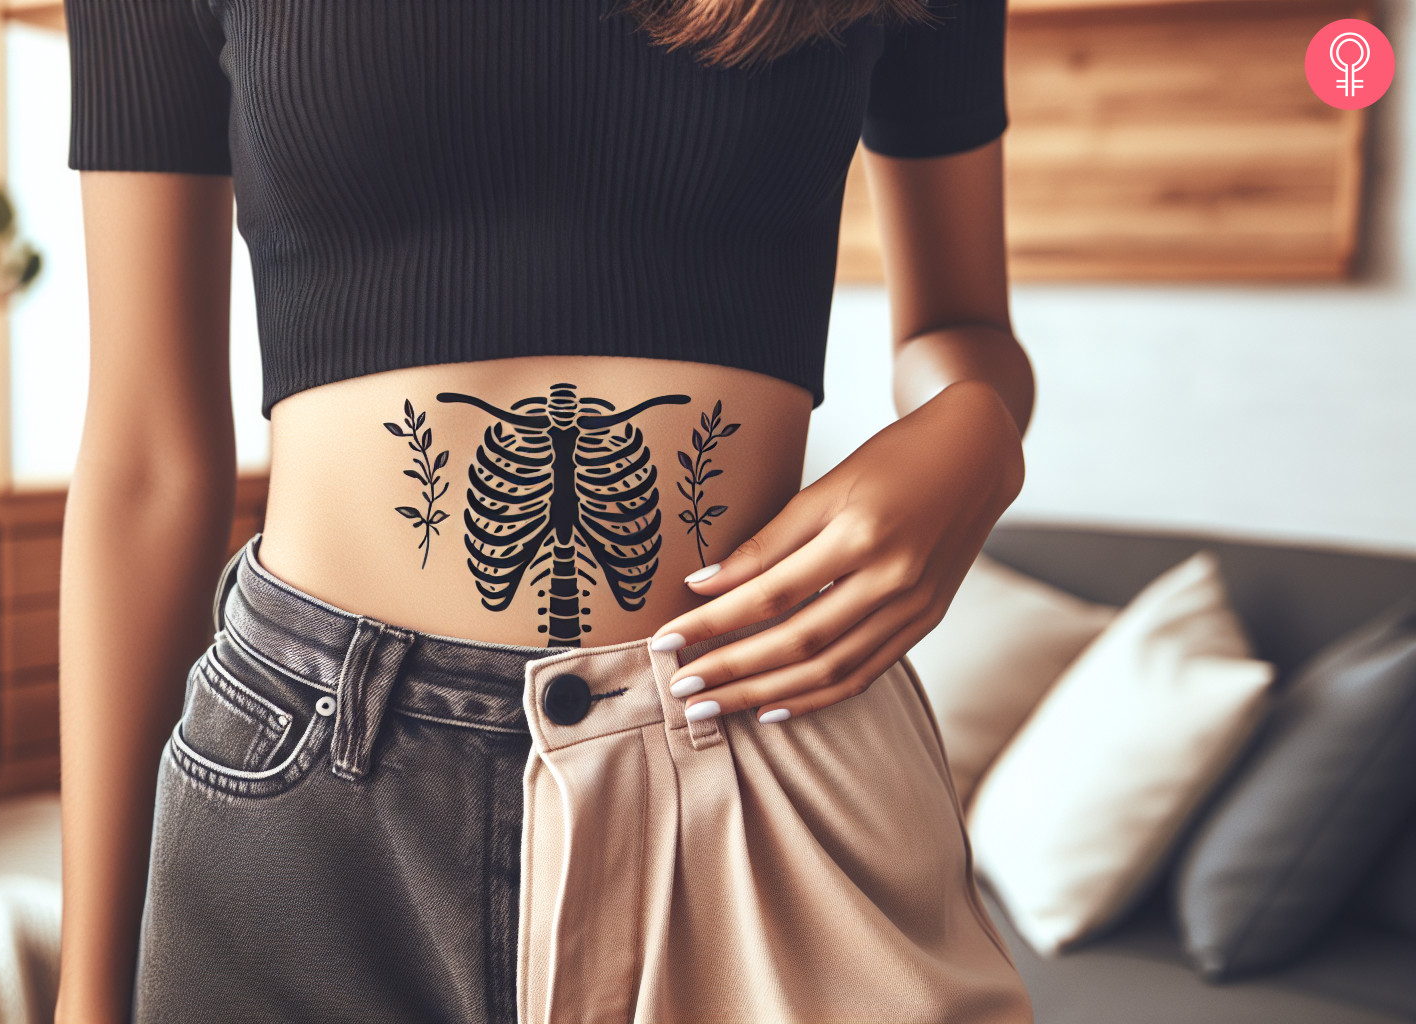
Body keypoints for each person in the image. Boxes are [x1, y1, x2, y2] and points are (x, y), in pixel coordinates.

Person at [56, 0, 1036, 1020]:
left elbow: (963, 325)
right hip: (306, 787)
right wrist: (87, 990)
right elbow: (148, 460)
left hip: (738, 722)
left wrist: (980, 426)